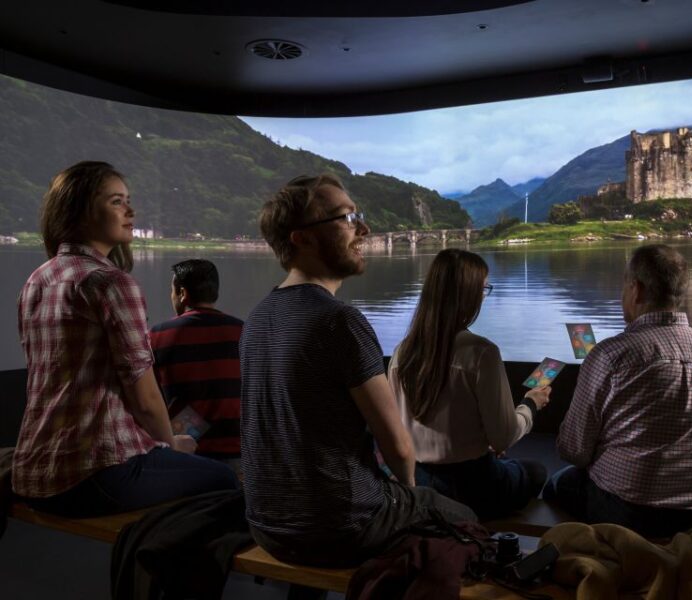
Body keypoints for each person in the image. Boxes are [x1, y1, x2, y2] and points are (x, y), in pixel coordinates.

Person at [240, 174, 476, 568]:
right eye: (347, 218)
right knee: (463, 519)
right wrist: (409, 498)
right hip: (339, 528)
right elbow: (398, 447)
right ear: (302, 238)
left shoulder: (258, 316)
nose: (364, 228)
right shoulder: (339, 320)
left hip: (265, 525)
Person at [12, 161, 238, 517]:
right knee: (223, 478)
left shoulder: (36, 280)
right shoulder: (112, 283)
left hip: (33, 472)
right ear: (82, 210)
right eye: (117, 201)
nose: (130, 210)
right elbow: (145, 398)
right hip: (95, 473)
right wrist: (169, 447)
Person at [544, 244, 692, 538]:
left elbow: (573, 450)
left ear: (636, 290)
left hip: (632, 512)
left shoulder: (609, 355)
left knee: (558, 483)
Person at [388, 249, 551, 520]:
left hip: (420, 482)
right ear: (468, 295)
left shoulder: (401, 353)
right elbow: (503, 437)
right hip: (473, 484)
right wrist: (531, 405)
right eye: (483, 289)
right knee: (537, 471)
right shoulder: (481, 352)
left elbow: (397, 429)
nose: (483, 297)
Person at [150, 259, 243, 463]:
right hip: (243, 449)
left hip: (187, 453)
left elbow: (149, 398)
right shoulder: (244, 332)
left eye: (172, 291)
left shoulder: (158, 336)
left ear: (182, 294)